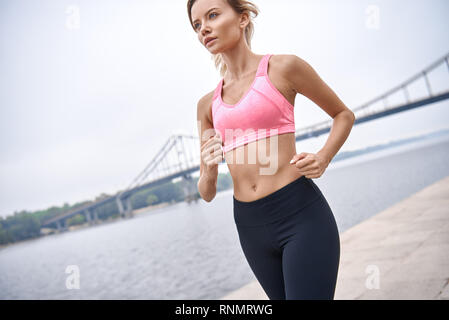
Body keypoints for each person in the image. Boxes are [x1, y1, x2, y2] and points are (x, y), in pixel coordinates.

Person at [188, 0, 355, 300]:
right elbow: (207, 192)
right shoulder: (206, 106)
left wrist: (323, 157)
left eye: (212, 15)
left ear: (242, 18)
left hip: (300, 215)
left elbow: (344, 115)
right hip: (250, 227)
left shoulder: (283, 68)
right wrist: (209, 167)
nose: (204, 29)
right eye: (197, 25)